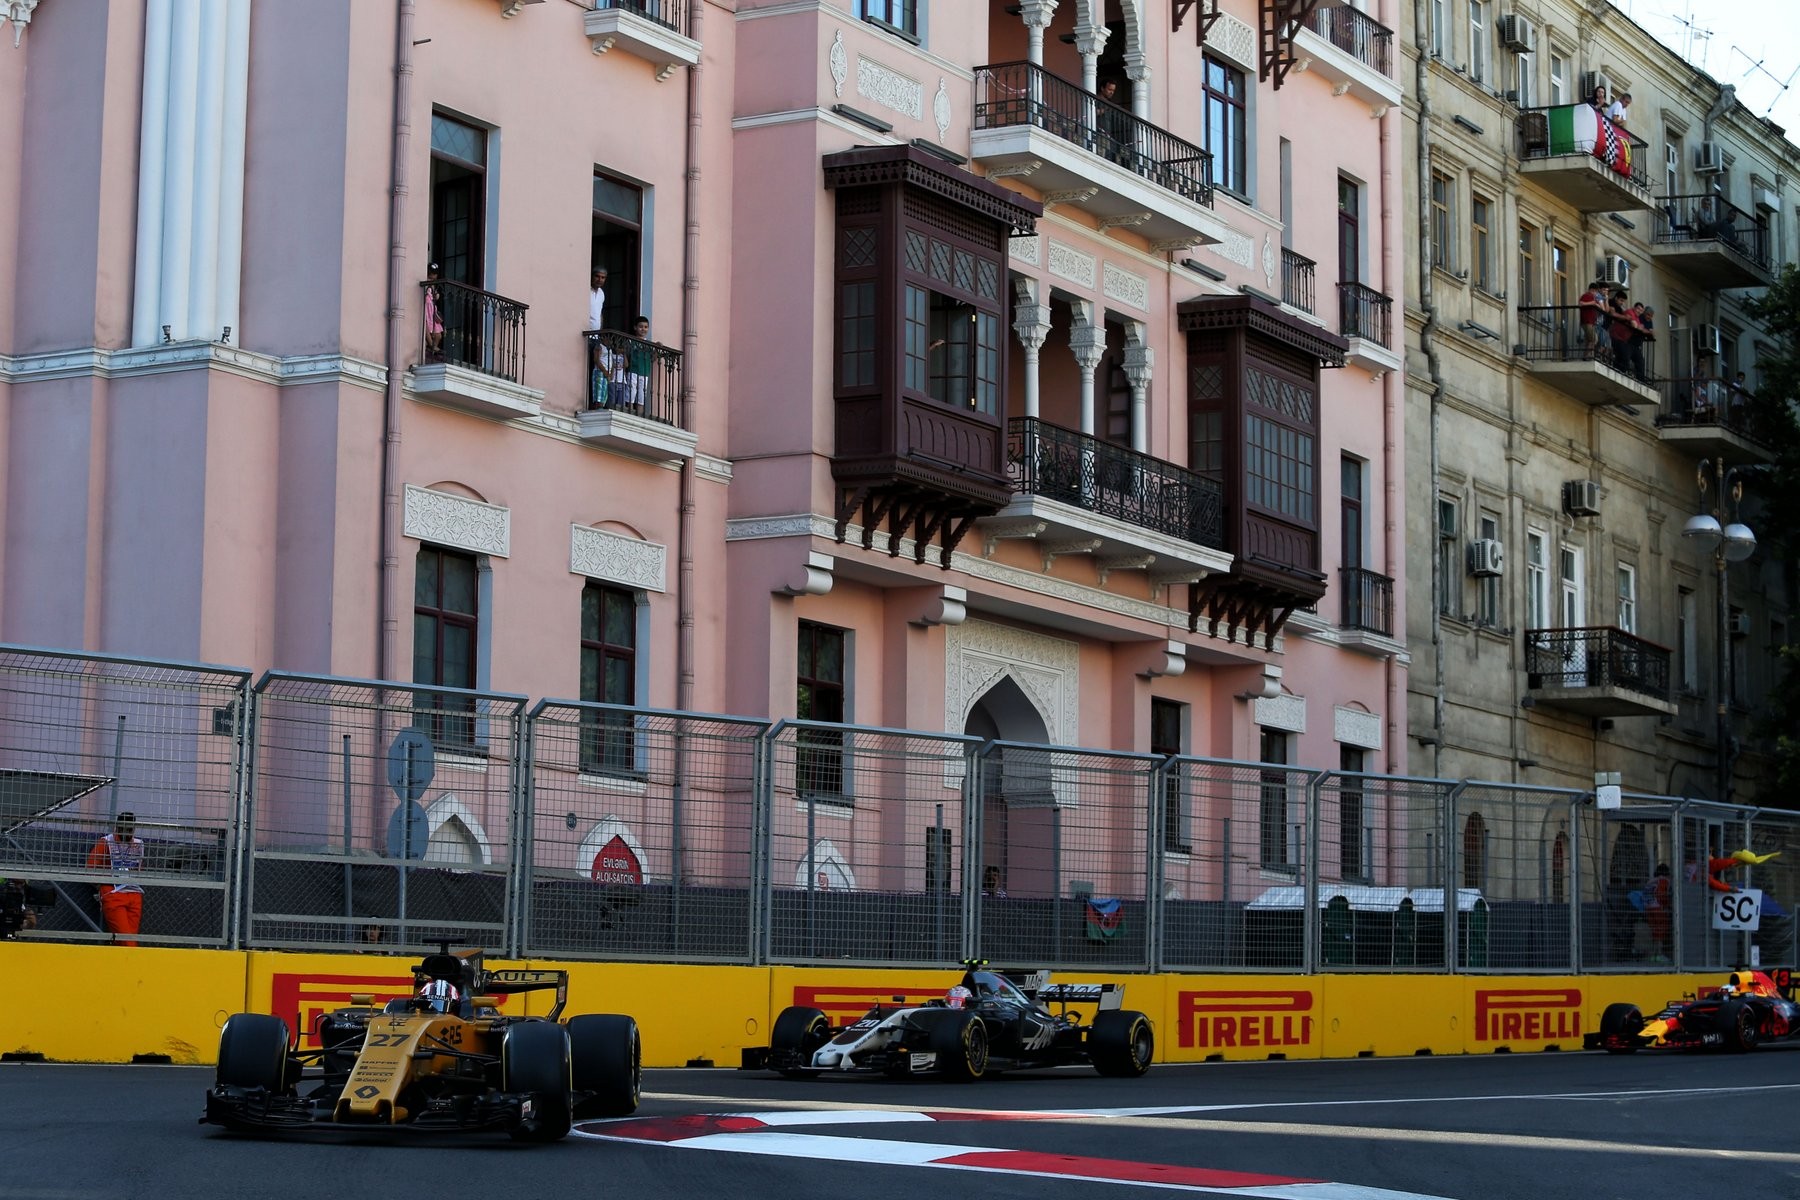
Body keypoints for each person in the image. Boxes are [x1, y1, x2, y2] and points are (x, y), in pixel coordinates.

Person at [87, 811, 145, 946]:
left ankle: (120, 962)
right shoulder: (106, 842)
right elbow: (90, 868)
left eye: (129, 830)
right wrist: (102, 886)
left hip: (133, 892)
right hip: (113, 891)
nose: (126, 833)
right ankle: (130, 964)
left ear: (134, 829)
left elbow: (138, 869)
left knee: (130, 938)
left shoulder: (138, 844)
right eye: (122, 829)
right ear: (117, 828)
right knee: (127, 941)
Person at [588, 266, 613, 408]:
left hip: (596, 334)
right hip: (586, 331)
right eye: (597, 276)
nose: (600, 280)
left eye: (603, 277)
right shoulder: (586, 290)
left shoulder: (602, 293)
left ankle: (599, 401)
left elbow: (600, 313)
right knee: (592, 365)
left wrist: (601, 331)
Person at [624, 315, 654, 414]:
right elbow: (626, 353)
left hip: (644, 372)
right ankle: (630, 410)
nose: (643, 329)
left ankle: (640, 413)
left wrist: (658, 348)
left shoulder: (648, 345)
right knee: (631, 391)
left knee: (642, 393)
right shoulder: (630, 341)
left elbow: (653, 358)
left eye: (645, 327)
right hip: (633, 370)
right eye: (641, 326)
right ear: (635, 327)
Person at [1577, 280, 1609, 355]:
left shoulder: (1592, 297)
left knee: (1590, 340)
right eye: (1595, 292)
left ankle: (1587, 356)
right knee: (1594, 339)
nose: (1596, 294)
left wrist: (1596, 304)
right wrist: (1592, 303)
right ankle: (1587, 356)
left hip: (1591, 322)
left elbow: (1603, 310)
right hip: (1587, 321)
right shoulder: (1587, 295)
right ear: (1592, 290)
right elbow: (1581, 303)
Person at [423, 263, 444, 360]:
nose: (432, 276)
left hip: (432, 309)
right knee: (426, 327)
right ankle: (431, 347)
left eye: (434, 274)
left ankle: (432, 347)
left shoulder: (433, 285)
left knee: (438, 334)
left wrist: (436, 295)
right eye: (431, 273)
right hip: (427, 309)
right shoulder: (425, 282)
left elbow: (434, 296)